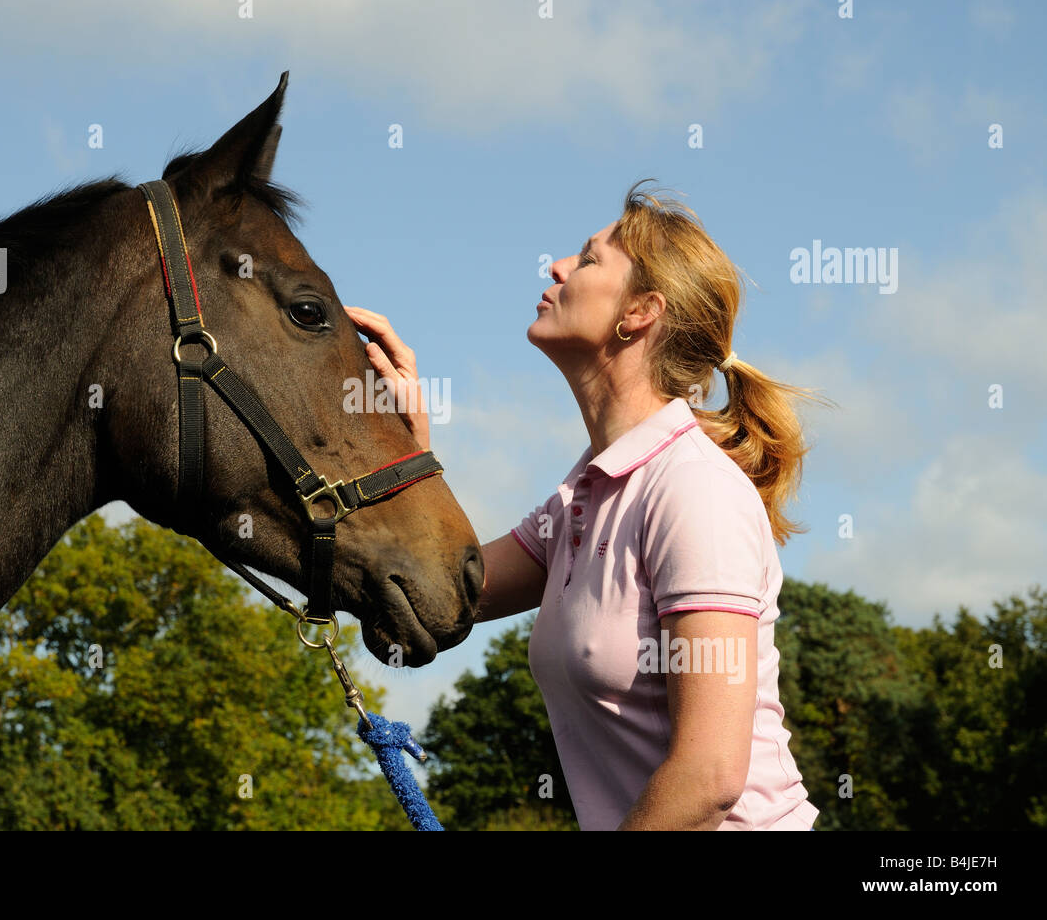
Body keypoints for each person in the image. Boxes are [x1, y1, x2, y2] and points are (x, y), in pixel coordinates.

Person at [345, 180, 829, 831]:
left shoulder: (694, 490)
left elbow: (709, 776)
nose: (557, 266)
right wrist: (408, 451)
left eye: (588, 257)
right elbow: (438, 598)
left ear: (640, 313)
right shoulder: (581, 497)